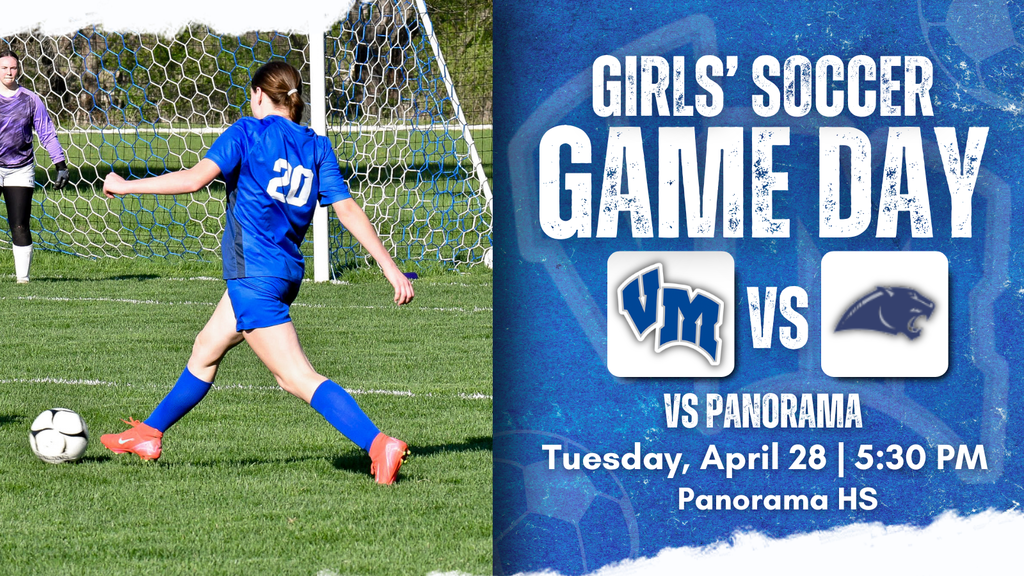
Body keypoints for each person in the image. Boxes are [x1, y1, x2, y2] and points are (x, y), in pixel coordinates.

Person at [99, 61, 414, 485]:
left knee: (295, 376)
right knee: (206, 349)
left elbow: (194, 180)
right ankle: (149, 434)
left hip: (253, 275)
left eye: (252, 95)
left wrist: (125, 186)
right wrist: (390, 268)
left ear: (260, 95)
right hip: (282, 273)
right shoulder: (316, 146)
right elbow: (347, 209)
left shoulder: (247, 132)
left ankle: (379, 445)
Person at [0, 49, 70, 283]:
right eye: (4, 68)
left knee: (20, 225)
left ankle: (23, 280)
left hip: (20, 169)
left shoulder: (30, 99)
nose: (9, 72)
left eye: (13, 67)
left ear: (18, 70)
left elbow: (47, 133)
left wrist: (60, 165)